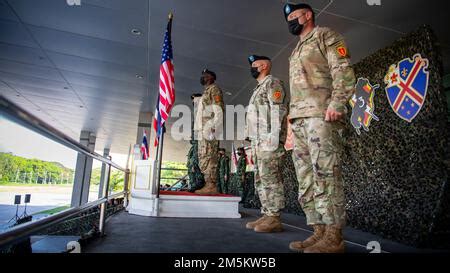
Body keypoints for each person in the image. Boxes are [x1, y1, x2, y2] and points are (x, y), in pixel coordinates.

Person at [283, 3, 356, 253]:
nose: (291, 20)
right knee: (306, 178)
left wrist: (337, 102)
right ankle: (319, 231)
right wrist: (290, 127)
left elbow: (343, 70)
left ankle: (334, 236)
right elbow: (296, 92)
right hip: (300, 120)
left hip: (321, 115)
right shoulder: (295, 51)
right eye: (288, 17)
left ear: (308, 15)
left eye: (294, 15)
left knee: (325, 173)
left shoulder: (326, 36)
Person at [244, 55, 288, 233]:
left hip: (268, 139)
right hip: (258, 140)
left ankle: (274, 217)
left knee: (271, 177)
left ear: (263, 66)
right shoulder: (258, 88)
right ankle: (267, 213)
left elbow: (278, 110)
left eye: (254, 65)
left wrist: (273, 136)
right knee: (261, 178)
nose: (252, 68)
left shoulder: (273, 83)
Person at [193, 69, 225, 195]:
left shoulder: (214, 89)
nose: (203, 78)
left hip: (209, 128)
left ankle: (211, 185)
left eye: (206, 76)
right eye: (203, 76)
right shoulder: (206, 92)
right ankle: (208, 183)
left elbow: (219, 108)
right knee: (203, 155)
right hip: (203, 128)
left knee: (209, 155)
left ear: (212, 77)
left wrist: (214, 125)